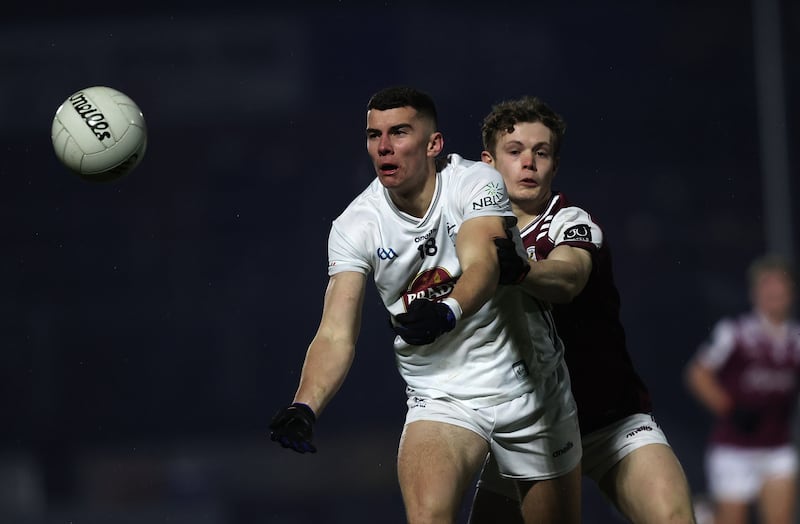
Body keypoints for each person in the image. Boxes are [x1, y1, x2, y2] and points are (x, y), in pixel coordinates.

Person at [268, 86, 582, 524]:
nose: (384, 147)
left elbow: (484, 264)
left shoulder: (476, 182)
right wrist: (305, 405)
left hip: (532, 390)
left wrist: (447, 309)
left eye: (398, 133)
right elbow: (336, 332)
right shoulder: (355, 225)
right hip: (442, 396)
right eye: (374, 135)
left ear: (434, 144)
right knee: (428, 517)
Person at [469, 95, 696, 523]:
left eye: (542, 153)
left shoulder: (570, 220)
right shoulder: (470, 236)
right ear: (488, 164)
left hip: (610, 422)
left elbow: (568, 277)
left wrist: (520, 272)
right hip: (527, 432)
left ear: (554, 165)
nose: (529, 164)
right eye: (515, 152)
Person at [685, 254, 800, 524]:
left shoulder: (796, 340)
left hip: (777, 448)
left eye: (780, 284)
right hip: (733, 448)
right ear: (755, 292)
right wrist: (731, 408)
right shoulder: (734, 333)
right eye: (767, 284)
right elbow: (697, 374)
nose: (774, 291)